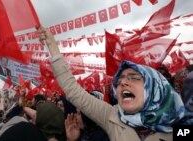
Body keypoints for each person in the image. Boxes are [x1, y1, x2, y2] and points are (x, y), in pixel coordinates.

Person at [37, 26, 185, 141]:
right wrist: (53, 47)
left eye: (133, 77)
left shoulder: (181, 126)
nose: (123, 83)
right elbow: (75, 92)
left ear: (154, 86)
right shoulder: (112, 116)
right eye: (119, 81)